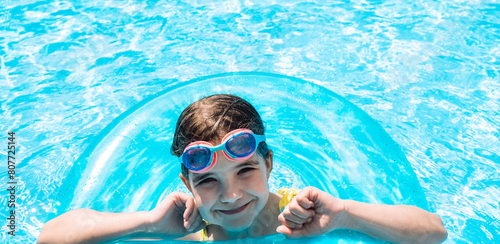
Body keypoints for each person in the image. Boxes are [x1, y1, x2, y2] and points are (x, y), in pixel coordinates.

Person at [38, 94, 448, 243]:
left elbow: (433, 231)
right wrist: (147, 224)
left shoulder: (303, 211)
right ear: (187, 182)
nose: (231, 195)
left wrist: (344, 214)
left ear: (269, 163)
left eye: (246, 171)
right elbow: (50, 238)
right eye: (209, 181)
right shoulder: (184, 227)